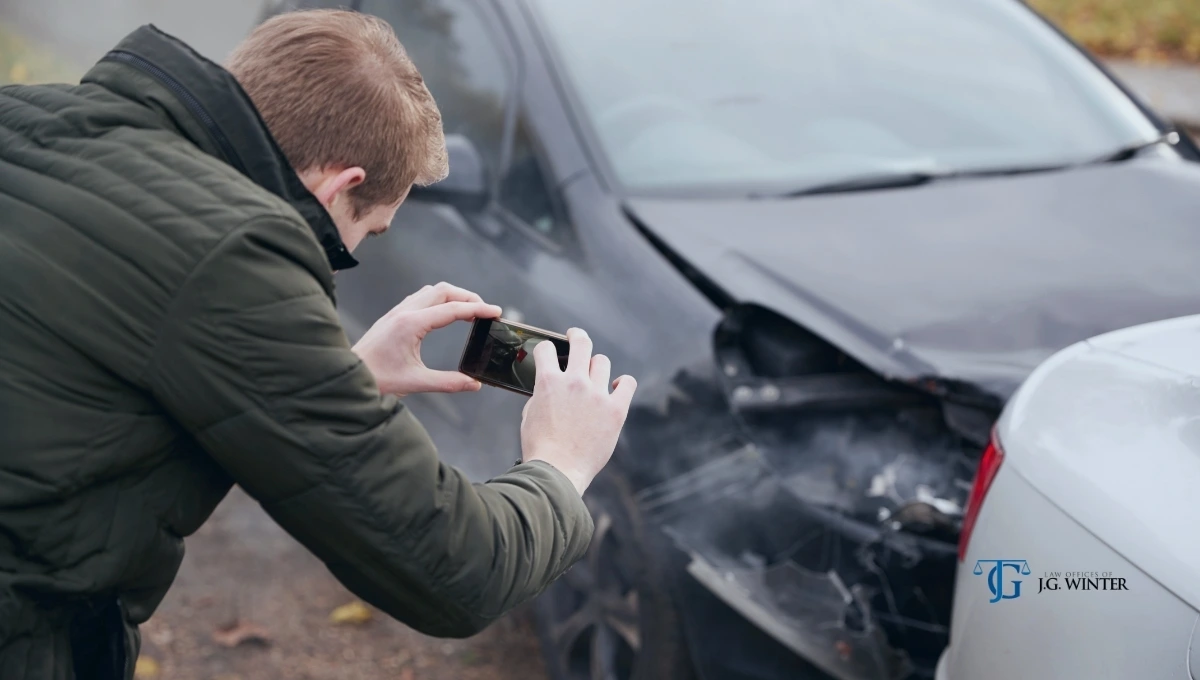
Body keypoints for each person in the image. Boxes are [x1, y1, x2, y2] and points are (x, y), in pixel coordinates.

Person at [0, 9, 637, 680]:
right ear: (342, 186)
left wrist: (341, 372)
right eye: (366, 235)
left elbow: (97, 376)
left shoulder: (24, 119)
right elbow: (455, 570)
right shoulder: (235, 257)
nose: (342, 261)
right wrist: (561, 465)